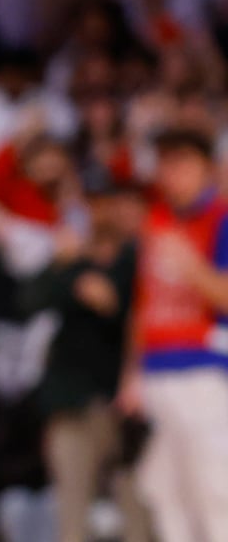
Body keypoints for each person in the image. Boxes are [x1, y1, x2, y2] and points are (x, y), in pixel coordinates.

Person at [21, 177, 150, 542]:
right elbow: (27, 301)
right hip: (72, 405)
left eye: (106, 203)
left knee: (138, 515)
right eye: (91, 204)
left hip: (127, 407)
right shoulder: (71, 262)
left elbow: (123, 309)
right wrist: (64, 265)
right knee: (73, 518)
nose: (99, 212)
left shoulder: (137, 259)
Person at [120, 128, 228, 542]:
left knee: (214, 489)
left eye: (183, 162)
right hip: (156, 372)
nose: (174, 172)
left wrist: (191, 267)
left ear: (208, 168)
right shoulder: (157, 221)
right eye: (167, 162)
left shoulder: (221, 219)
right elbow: (141, 306)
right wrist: (131, 374)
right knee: (164, 491)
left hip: (204, 372)